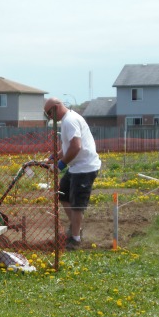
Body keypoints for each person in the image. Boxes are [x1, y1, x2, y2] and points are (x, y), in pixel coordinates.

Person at [44, 98, 101, 249]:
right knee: (62, 194)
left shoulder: (70, 121)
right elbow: (67, 147)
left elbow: (76, 147)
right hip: (76, 167)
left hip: (85, 168)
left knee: (77, 205)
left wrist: (60, 165)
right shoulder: (67, 120)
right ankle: (77, 228)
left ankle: (75, 240)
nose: (49, 117)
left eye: (49, 113)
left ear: (56, 108)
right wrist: (53, 157)